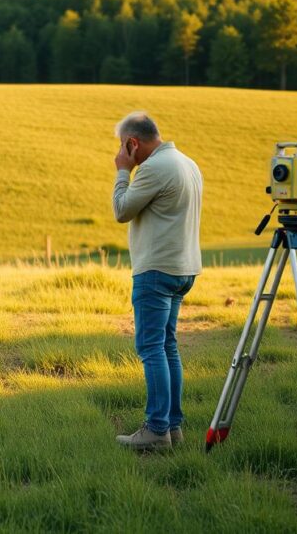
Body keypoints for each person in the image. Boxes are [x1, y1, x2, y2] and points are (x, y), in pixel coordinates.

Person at [111, 111, 203, 451]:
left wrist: (123, 171)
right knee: (167, 346)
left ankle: (156, 429)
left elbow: (121, 210)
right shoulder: (188, 163)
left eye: (123, 147)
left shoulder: (152, 169)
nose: (121, 152)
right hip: (184, 269)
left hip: (156, 272)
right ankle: (172, 426)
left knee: (151, 348)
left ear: (132, 143)